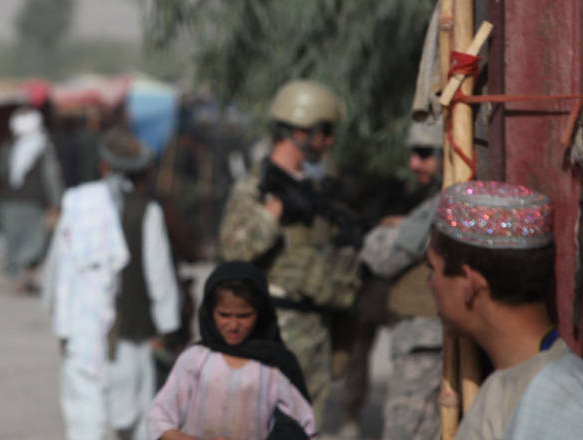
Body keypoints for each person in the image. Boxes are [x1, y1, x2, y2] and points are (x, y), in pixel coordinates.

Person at [217, 80, 360, 422]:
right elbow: (232, 251)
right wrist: (276, 210)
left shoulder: (315, 189)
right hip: (273, 334)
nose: (328, 142)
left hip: (316, 334)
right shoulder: (256, 189)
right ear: (300, 131)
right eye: (323, 132)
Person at [42, 129, 181, 440]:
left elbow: (56, 266)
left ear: (103, 165)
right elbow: (159, 276)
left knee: (85, 415)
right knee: (134, 417)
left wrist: (58, 314)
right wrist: (167, 325)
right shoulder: (147, 211)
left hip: (82, 332)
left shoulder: (77, 205)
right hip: (131, 333)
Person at [424, 181, 565, 439]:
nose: (429, 284)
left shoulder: (555, 404)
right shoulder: (510, 385)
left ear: (469, 284)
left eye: (432, 268)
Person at [148, 261, 315, 440]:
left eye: (244, 316)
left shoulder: (274, 366)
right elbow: (159, 417)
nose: (233, 326)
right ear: (210, 312)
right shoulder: (195, 359)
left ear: (261, 313)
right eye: (224, 315)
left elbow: (303, 427)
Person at [353, 119, 444, 439]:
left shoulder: (441, 204)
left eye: (424, 153)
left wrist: (384, 230)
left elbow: (379, 255)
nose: (413, 163)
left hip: (427, 344)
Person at [0, 107, 64, 293]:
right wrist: (56, 202)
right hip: (27, 203)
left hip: (22, 203)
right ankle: (22, 278)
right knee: (28, 243)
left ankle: (20, 278)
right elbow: (52, 178)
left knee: (24, 242)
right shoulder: (40, 148)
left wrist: (54, 202)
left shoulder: (12, 147)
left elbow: (1, 173)